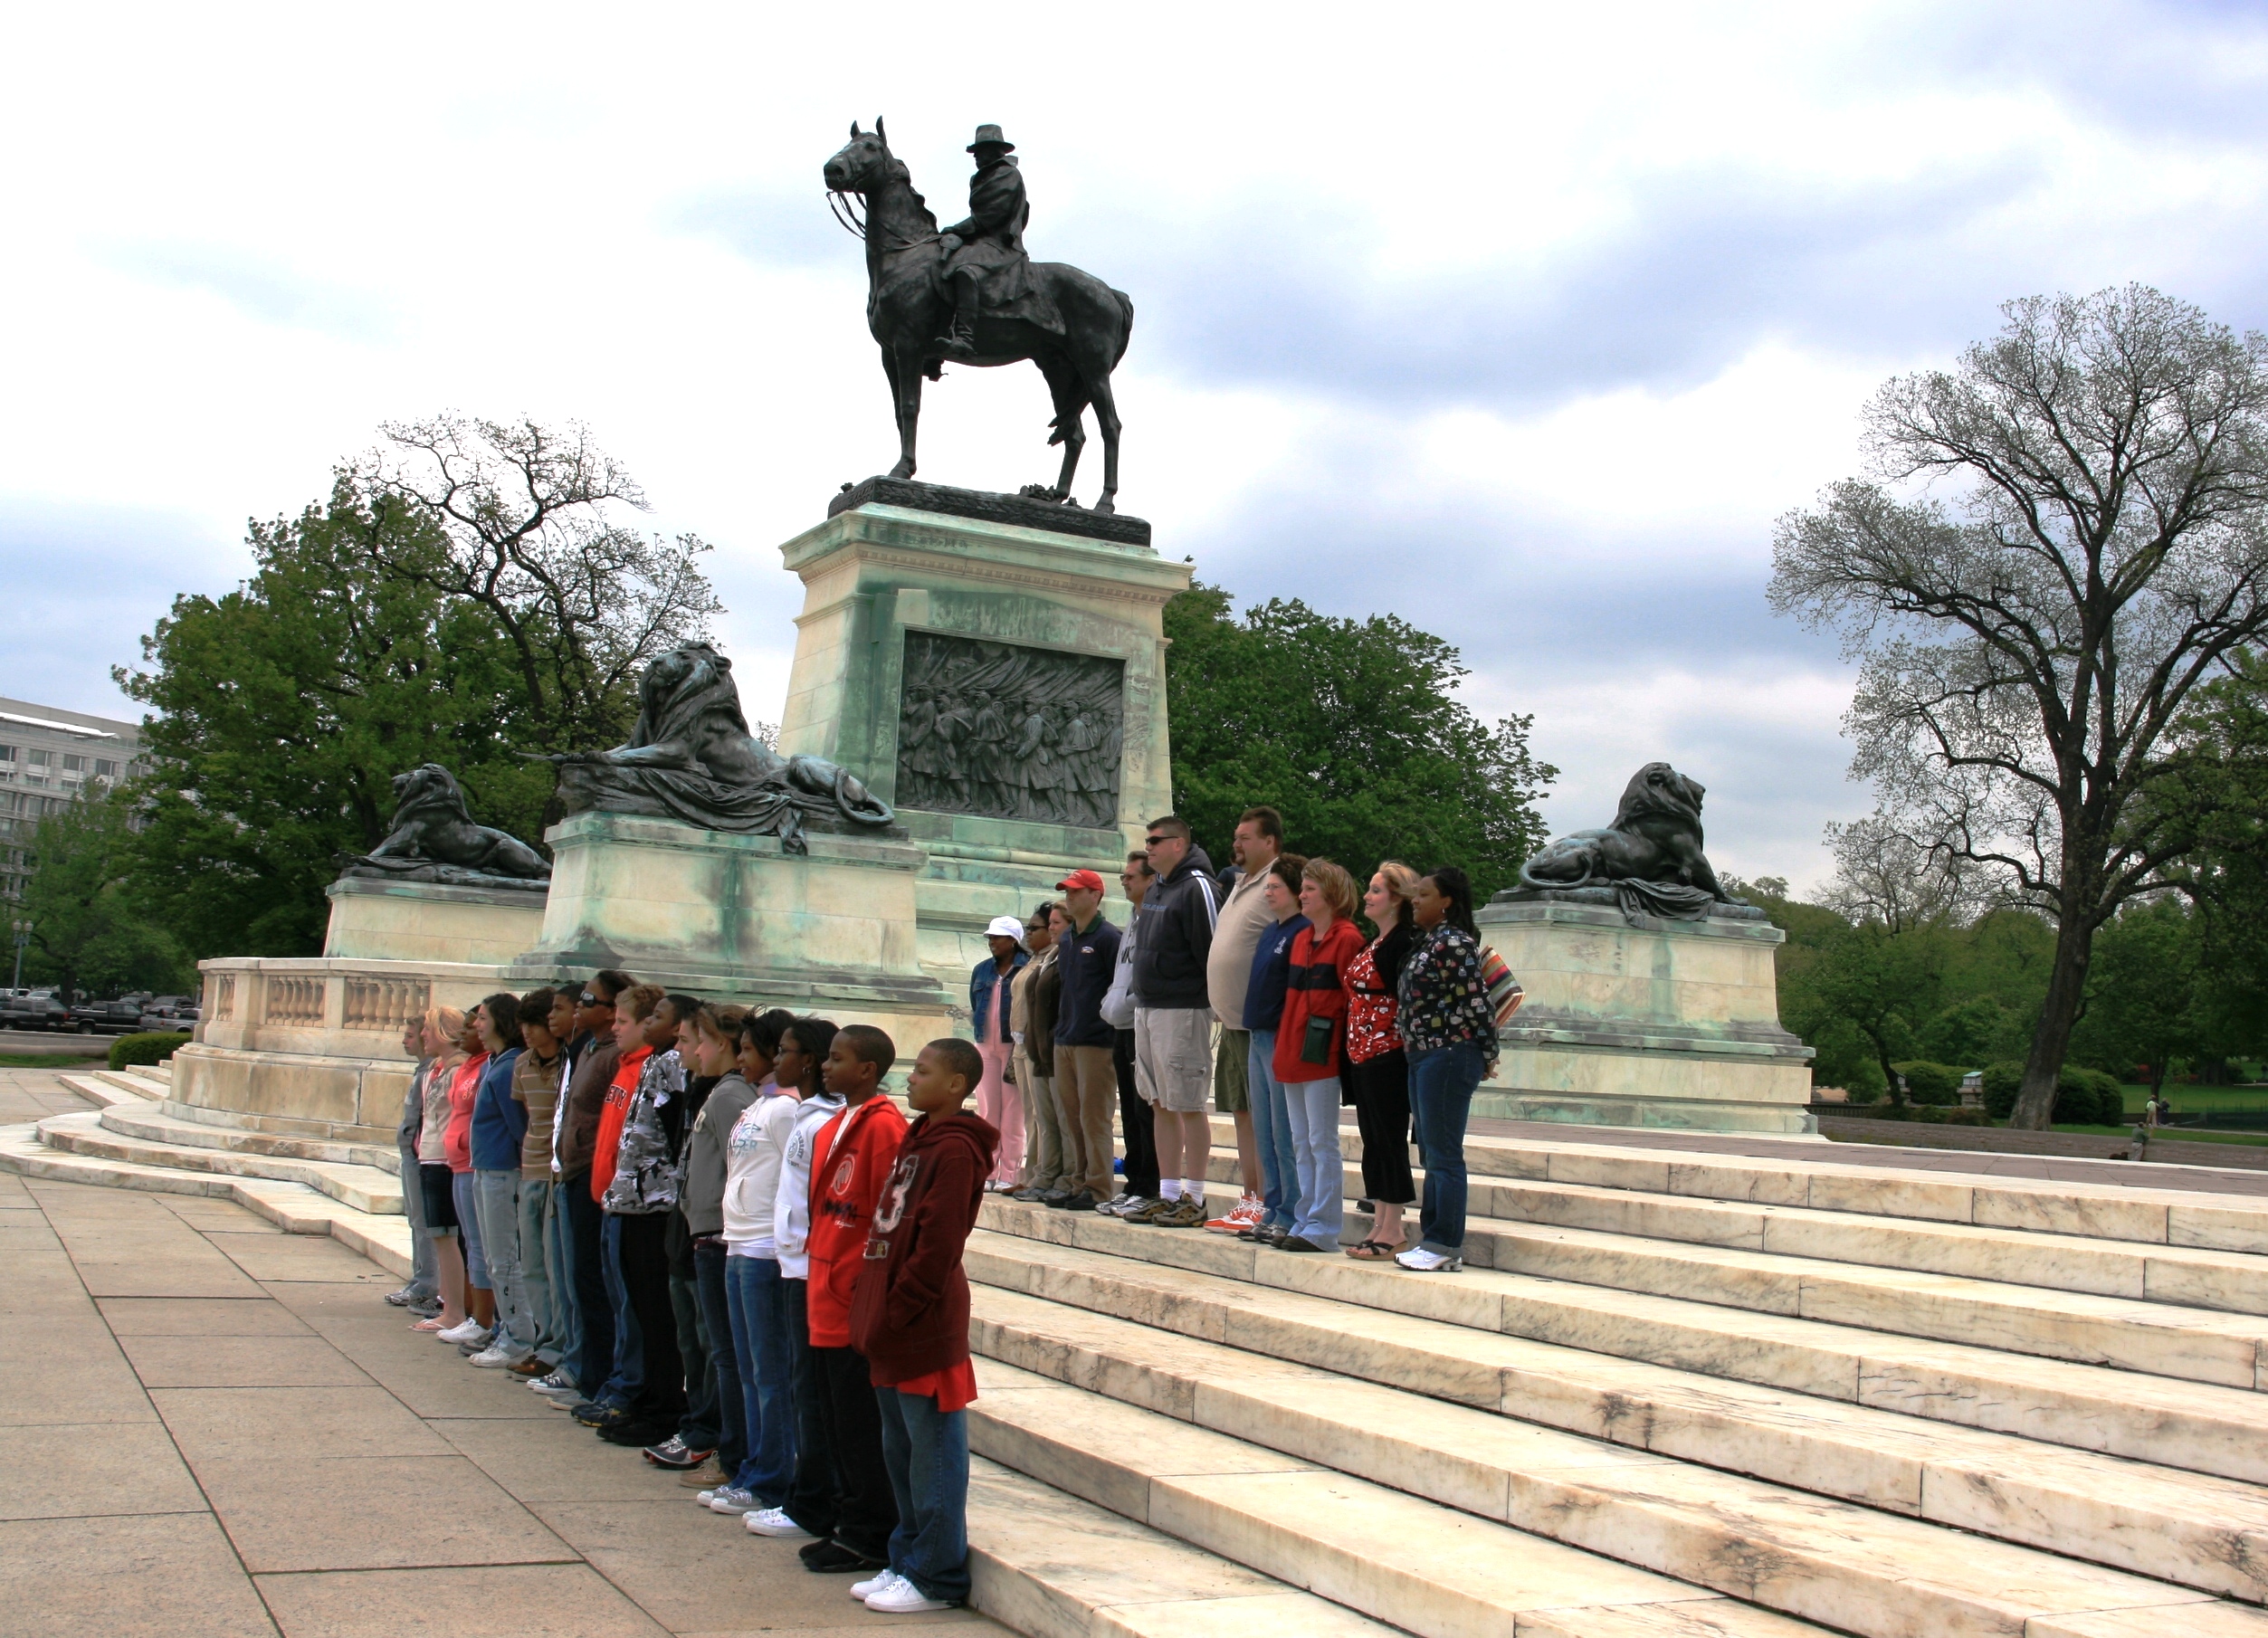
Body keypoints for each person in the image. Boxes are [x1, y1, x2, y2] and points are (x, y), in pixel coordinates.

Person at [848, 1037, 998, 1613]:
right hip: (891, 1315)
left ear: (956, 1085)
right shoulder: (921, 1138)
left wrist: (901, 1305)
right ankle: (906, 1555)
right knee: (899, 1446)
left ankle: (936, 1574)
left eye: (925, 1071)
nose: (911, 1078)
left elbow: (939, 1242)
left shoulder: (956, 1150)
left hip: (921, 1319)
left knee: (932, 1447)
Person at [796, 1025, 908, 1575]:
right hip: (822, 1287)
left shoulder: (884, 1128)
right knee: (833, 1420)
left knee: (858, 1424)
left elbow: (887, 1218)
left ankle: (868, 1531)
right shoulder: (837, 1124)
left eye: (837, 1059)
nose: (826, 1066)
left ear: (867, 1070)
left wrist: (867, 1286)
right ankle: (844, 1518)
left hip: (850, 1294)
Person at [745, 1015, 841, 1544]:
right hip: (791, 1262)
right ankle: (807, 1494)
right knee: (799, 1382)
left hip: (811, 1265)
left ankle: (811, 1500)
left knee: (806, 1387)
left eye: (784, 1050)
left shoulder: (826, 1118)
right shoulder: (805, 1113)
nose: (774, 1059)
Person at [710, 1008, 801, 1516]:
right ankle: (752, 1466)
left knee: (769, 1374)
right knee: (748, 1369)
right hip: (738, 1244)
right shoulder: (757, 1106)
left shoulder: (786, 1110)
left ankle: (771, 1477)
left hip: (765, 1250)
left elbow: (794, 1180)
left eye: (748, 1050)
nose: (740, 1058)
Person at [600, 991, 697, 1448]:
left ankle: (664, 1406)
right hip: (632, 1199)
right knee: (640, 1306)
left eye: (660, 1017)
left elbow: (677, 1131)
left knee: (658, 1313)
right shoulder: (655, 1063)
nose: (651, 1022)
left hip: (655, 1202)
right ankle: (648, 1397)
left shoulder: (673, 1066)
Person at [1396, 866, 1499, 1273]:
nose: (1415, 900)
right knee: (1431, 1152)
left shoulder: (1454, 943)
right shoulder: (1429, 941)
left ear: (1447, 902)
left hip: (1448, 1053)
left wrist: (1487, 1053)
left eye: (1423, 894)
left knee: (1443, 1154)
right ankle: (1433, 1240)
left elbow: (1477, 1003)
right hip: (1422, 1055)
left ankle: (1445, 1243)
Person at [681, 1003, 760, 1504]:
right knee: (721, 1350)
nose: (693, 1052)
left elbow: (742, 1164)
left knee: (727, 1355)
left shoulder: (732, 1095)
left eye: (701, 1042)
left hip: (721, 1233)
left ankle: (733, 1454)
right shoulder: (719, 1092)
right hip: (707, 1229)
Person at [577, 983, 664, 1432]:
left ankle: (628, 1389)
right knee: (616, 1301)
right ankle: (618, 1383)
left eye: (623, 1022)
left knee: (631, 1307)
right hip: (608, 1199)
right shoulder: (624, 1065)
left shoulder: (648, 1069)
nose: (615, 1028)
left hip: (630, 1204)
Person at [1128, 815, 1220, 1227]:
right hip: (1149, 1007)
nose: (1148, 847)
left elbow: (1212, 951)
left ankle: (1195, 1196)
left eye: (1155, 840)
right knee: (1159, 1102)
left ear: (1179, 844)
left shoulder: (1197, 886)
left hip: (1183, 1008)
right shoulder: (1159, 886)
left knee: (1187, 1102)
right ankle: (1167, 1194)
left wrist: (1211, 1001)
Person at [1272, 859, 1364, 1254]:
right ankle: (1305, 1217)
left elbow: (1352, 1002)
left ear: (1330, 893)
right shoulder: (1301, 939)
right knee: (1300, 1141)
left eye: (1310, 889)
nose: (1303, 894)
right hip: (1293, 1049)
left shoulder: (1347, 939)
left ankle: (1324, 1226)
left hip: (1322, 1054)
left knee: (1320, 1140)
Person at [1204, 807, 1287, 1233]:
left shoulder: (1277, 884)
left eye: (1246, 838)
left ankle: (1268, 1201)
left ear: (1270, 841)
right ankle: (1250, 1198)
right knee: (1240, 1110)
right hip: (1232, 1022)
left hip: (1257, 1024)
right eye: (1236, 837)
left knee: (1261, 1115)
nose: (1236, 844)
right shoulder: (1239, 883)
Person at [550, 972, 629, 1412]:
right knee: (577, 1280)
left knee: (594, 1284)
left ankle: (597, 1378)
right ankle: (585, 1370)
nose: (579, 1004)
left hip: (593, 1178)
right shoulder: (589, 1048)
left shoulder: (614, 1056)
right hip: (573, 1170)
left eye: (588, 999)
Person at [1343, 863, 1420, 1258]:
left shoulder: (1403, 943)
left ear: (1397, 899)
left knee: (1388, 1142)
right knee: (1374, 1142)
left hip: (1388, 1056)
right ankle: (1380, 1224)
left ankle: (1394, 1229)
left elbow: (1407, 1002)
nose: (1368, 896)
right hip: (1363, 1056)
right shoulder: (1376, 942)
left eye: (1376, 891)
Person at [1242, 854, 1308, 1243]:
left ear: (1296, 891)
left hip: (1280, 1037)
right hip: (1257, 1034)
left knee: (1284, 1131)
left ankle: (1290, 1210)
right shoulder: (1271, 930)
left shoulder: (1300, 931)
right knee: (1263, 1130)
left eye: (1275, 886)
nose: (1268, 892)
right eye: (1266, 886)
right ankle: (1272, 1206)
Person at [468, 992, 533, 1367]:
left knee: (505, 1257)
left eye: (482, 1018)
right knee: (496, 1257)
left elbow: (518, 1126)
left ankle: (517, 1337)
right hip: (486, 1167)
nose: (477, 1025)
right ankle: (508, 1329)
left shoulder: (508, 1067)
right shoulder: (495, 1064)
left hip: (504, 1171)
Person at [1050, 873, 1120, 1212]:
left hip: (1095, 1040)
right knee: (1072, 1117)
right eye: (1067, 892)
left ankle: (1098, 1186)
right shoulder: (1068, 938)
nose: (1070, 898)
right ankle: (1078, 1181)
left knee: (1094, 1117)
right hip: (1065, 1036)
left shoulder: (1108, 938)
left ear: (1096, 895)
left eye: (1076, 892)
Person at [935, 124, 1031, 359]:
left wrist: (956, 230)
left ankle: (964, 338)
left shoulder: (1007, 174)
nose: (976, 156)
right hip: (981, 240)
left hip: (999, 243)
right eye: (975, 152)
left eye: (980, 151)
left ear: (995, 151)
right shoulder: (981, 177)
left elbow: (991, 216)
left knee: (965, 271)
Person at [514, 988, 571, 1382]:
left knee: (555, 1267)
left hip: (556, 1174)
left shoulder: (570, 1064)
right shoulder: (522, 1065)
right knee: (532, 1264)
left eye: (534, 1025)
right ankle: (543, 1338)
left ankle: (558, 1347)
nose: (529, 1033)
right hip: (529, 1170)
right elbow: (525, 1116)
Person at [1096, 851, 1157, 1216]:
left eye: (1132, 875)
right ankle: (1135, 1182)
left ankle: (1148, 1186)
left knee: (1144, 1110)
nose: (1125, 880)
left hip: (1141, 1023)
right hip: (1120, 1023)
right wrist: (1112, 1003)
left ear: (1151, 879)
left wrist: (1129, 1003)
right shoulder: (1132, 919)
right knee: (1131, 1113)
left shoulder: (1153, 918)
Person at [411, 1006, 470, 1336]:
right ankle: (449, 1302)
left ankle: (455, 1311)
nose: (423, 1035)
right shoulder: (435, 1069)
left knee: (448, 1236)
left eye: (429, 1029)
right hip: (430, 1156)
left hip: (445, 1160)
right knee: (440, 1236)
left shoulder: (456, 1070)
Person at [441, 1010, 494, 1348]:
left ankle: (484, 1319)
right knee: (471, 1243)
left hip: (476, 1164)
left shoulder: (490, 1066)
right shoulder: (469, 1065)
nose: (466, 1030)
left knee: (481, 1245)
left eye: (475, 1023)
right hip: (459, 1163)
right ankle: (475, 1317)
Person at [1007, 905, 1066, 1203]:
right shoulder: (1035, 961)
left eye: (1035, 928)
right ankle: (1032, 1173)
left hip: (1041, 1046)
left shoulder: (1053, 960)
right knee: (1031, 1114)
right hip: (1022, 1044)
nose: (1028, 934)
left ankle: (1041, 1173)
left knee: (1042, 1117)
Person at [384, 1014, 441, 1317]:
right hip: (412, 1152)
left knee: (424, 1223)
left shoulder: (432, 1071)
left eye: (410, 1035)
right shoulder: (423, 1070)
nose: (404, 1040)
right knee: (416, 1221)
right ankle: (421, 1280)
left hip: (421, 1155)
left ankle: (428, 1285)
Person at [967, 915, 1027, 1191]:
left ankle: (1010, 1174)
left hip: (1014, 1047)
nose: (992, 942)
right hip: (985, 1048)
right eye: (990, 937)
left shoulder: (1025, 968)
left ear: (1013, 940)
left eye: (997, 937)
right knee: (988, 1111)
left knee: (1013, 1114)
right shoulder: (981, 970)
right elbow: (974, 1001)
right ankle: (988, 1171)